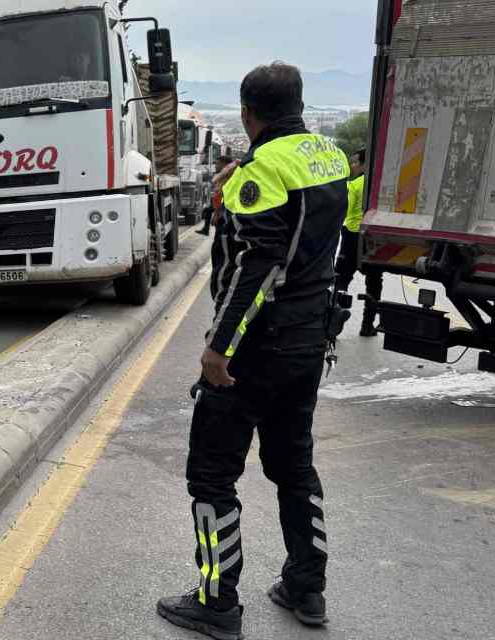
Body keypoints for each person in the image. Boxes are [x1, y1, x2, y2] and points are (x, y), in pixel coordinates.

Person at [156, 62, 349, 640]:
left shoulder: (261, 172)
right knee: (295, 467)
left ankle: (217, 602)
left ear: (247, 112)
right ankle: (306, 586)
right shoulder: (328, 158)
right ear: (300, 104)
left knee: (211, 476)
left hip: (258, 349)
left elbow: (254, 269)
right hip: (310, 341)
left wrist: (219, 349)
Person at [334, 149, 383, 337]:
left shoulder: (353, 185)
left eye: (354, 162)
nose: (351, 165)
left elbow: (343, 210)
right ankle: (367, 326)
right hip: (372, 238)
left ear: (364, 164)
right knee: (374, 284)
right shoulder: (378, 186)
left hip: (352, 236)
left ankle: (333, 324)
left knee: (341, 280)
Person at [197, 155, 234, 236]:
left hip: (224, 210)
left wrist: (217, 214)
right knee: (207, 211)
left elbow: (222, 196)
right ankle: (206, 229)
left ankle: (206, 230)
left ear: (225, 165)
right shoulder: (221, 174)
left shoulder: (228, 175)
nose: (216, 166)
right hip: (220, 207)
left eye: (218, 164)